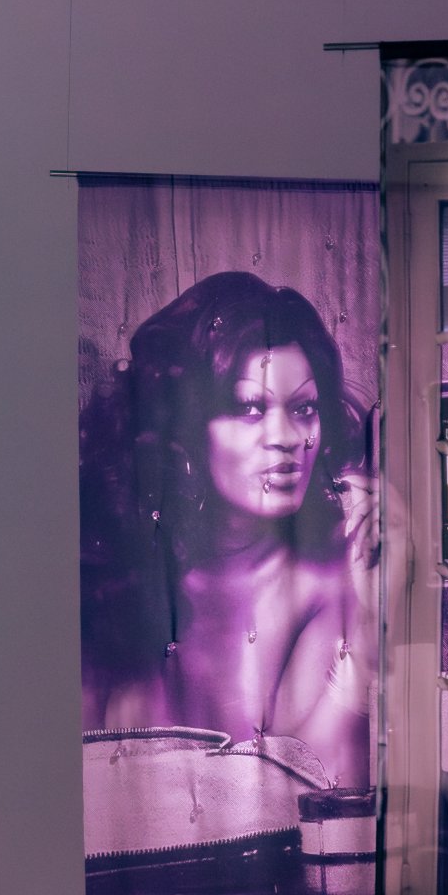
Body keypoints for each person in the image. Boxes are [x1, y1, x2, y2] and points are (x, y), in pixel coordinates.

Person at [79, 270, 371, 786]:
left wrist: (371, 618)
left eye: (303, 409)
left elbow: (315, 792)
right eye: (250, 409)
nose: (285, 437)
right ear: (186, 426)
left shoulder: (326, 576)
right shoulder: (115, 573)